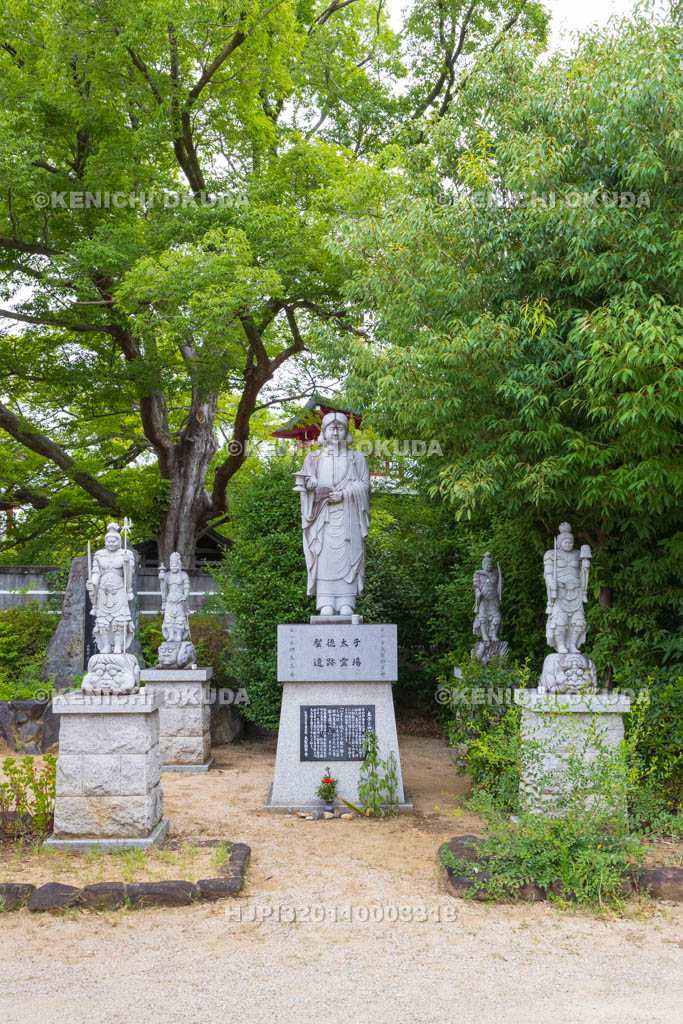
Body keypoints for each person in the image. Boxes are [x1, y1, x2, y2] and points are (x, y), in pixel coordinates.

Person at [297, 412, 370, 616]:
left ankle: (348, 602)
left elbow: (364, 485)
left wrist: (344, 494)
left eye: (340, 428)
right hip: (322, 516)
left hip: (349, 515)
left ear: (346, 431)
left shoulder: (357, 458)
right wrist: (310, 486)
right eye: (332, 428)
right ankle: (325, 602)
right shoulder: (313, 458)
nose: (336, 432)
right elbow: (304, 484)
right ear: (324, 432)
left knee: (348, 558)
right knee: (323, 558)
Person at [86, 522, 135, 654]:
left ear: (119, 541)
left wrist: (126, 563)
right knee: (103, 621)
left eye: (114, 540)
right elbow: (96, 572)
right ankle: (106, 645)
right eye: (109, 540)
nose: (111, 542)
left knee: (119, 620)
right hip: (103, 591)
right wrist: (93, 582)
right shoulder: (99, 554)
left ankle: (118, 646)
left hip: (119, 591)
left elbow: (129, 574)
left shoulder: (126, 553)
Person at [543, 522, 592, 653]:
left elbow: (582, 573)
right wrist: (550, 583)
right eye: (565, 541)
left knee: (578, 620)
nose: (568, 544)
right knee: (560, 620)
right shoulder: (551, 554)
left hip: (576, 591)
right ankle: (560, 645)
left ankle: (572, 644)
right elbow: (547, 574)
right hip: (559, 592)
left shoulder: (578, 554)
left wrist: (585, 567)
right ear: (559, 542)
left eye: (570, 541)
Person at [159, 551, 191, 642]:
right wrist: (162, 580)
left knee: (180, 619)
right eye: (172, 564)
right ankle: (171, 635)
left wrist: (185, 595)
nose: (174, 566)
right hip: (170, 600)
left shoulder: (183, 575)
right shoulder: (167, 575)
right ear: (170, 564)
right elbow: (164, 589)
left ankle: (179, 636)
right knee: (169, 619)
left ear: (179, 564)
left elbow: (186, 586)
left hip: (180, 600)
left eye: (176, 564)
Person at [472, 552, 503, 642]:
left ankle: (493, 635)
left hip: (493, 598)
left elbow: (498, 586)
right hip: (483, 599)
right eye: (487, 564)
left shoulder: (496, 574)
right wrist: (478, 593)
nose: (489, 566)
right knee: (483, 618)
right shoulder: (478, 574)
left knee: (497, 617)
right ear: (483, 564)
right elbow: (476, 586)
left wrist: (500, 595)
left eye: (490, 564)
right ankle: (484, 635)